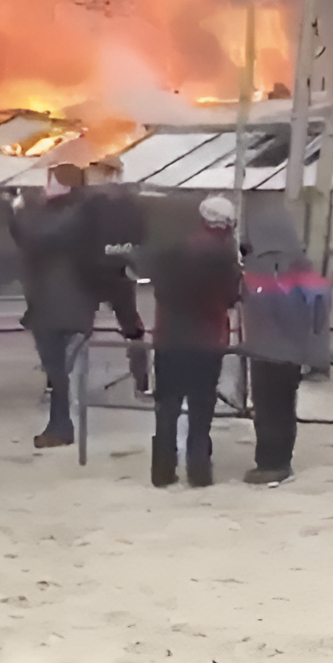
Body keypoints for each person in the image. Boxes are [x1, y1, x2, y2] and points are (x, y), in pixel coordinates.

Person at [148, 194, 243, 488]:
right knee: (202, 407)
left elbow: (159, 290)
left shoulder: (173, 250)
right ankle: (199, 469)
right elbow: (230, 297)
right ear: (228, 225)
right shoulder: (226, 258)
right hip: (206, 339)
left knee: (167, 406)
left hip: (170, 337)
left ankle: (162, 471)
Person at [240, 201, 332, 486]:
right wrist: (315, 352)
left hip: (265, 349)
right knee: (278, 406)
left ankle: (273, 463)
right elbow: (319, 309)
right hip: (285, 351)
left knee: (270, 407)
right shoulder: (302, 268)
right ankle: (275, 460)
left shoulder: (257, 269)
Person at [9, 162, 100, 451]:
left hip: (62, 302)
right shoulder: (71, 212)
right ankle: (60, 424)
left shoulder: (75, 214)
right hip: (56, 301)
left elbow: (39, 238)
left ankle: (61, 426)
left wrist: (20, 212)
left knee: (59, 370)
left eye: (51, 181)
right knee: (57, 370)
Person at [84, 158, 152, 396]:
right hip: (116, 271)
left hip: (101, 272)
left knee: (79, 327)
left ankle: (142, 381)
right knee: (131, 327)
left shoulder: (90, 202)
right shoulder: (127, 203)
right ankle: (142, 383)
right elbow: (141, 235)